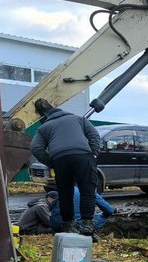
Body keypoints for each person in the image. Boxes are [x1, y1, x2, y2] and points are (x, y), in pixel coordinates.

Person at [30, 98, 101, 237]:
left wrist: (51, 162)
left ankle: (69, 227)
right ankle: (87, 227)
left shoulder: (44, 127)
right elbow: (94, 135)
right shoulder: (79, 119)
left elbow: (35, 148)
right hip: (83, 156)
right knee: (88, 190)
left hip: (60, 159)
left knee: (65, 194)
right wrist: (93, 153)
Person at [50, 187, 115, 241]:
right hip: (76, 225)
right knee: (104, 217)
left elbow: (52, 207)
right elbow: (109, 210)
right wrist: (114, 209)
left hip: (56, 225)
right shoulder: (89, 190)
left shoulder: (66, 189)